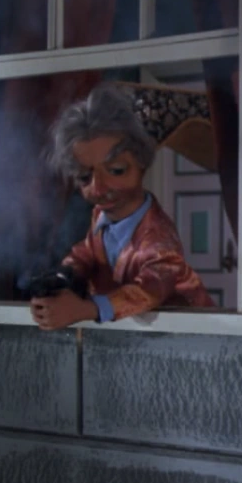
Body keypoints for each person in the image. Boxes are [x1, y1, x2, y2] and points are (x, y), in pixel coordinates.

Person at [30, 83, 214, 330]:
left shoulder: (158, 238)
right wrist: (66, 275)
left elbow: (149, 289)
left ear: (142, 163)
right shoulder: (100, 216)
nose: (98, 188)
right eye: (84, 177)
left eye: (117, 171)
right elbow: (86, 252)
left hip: (190, 333)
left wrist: (87, 309)